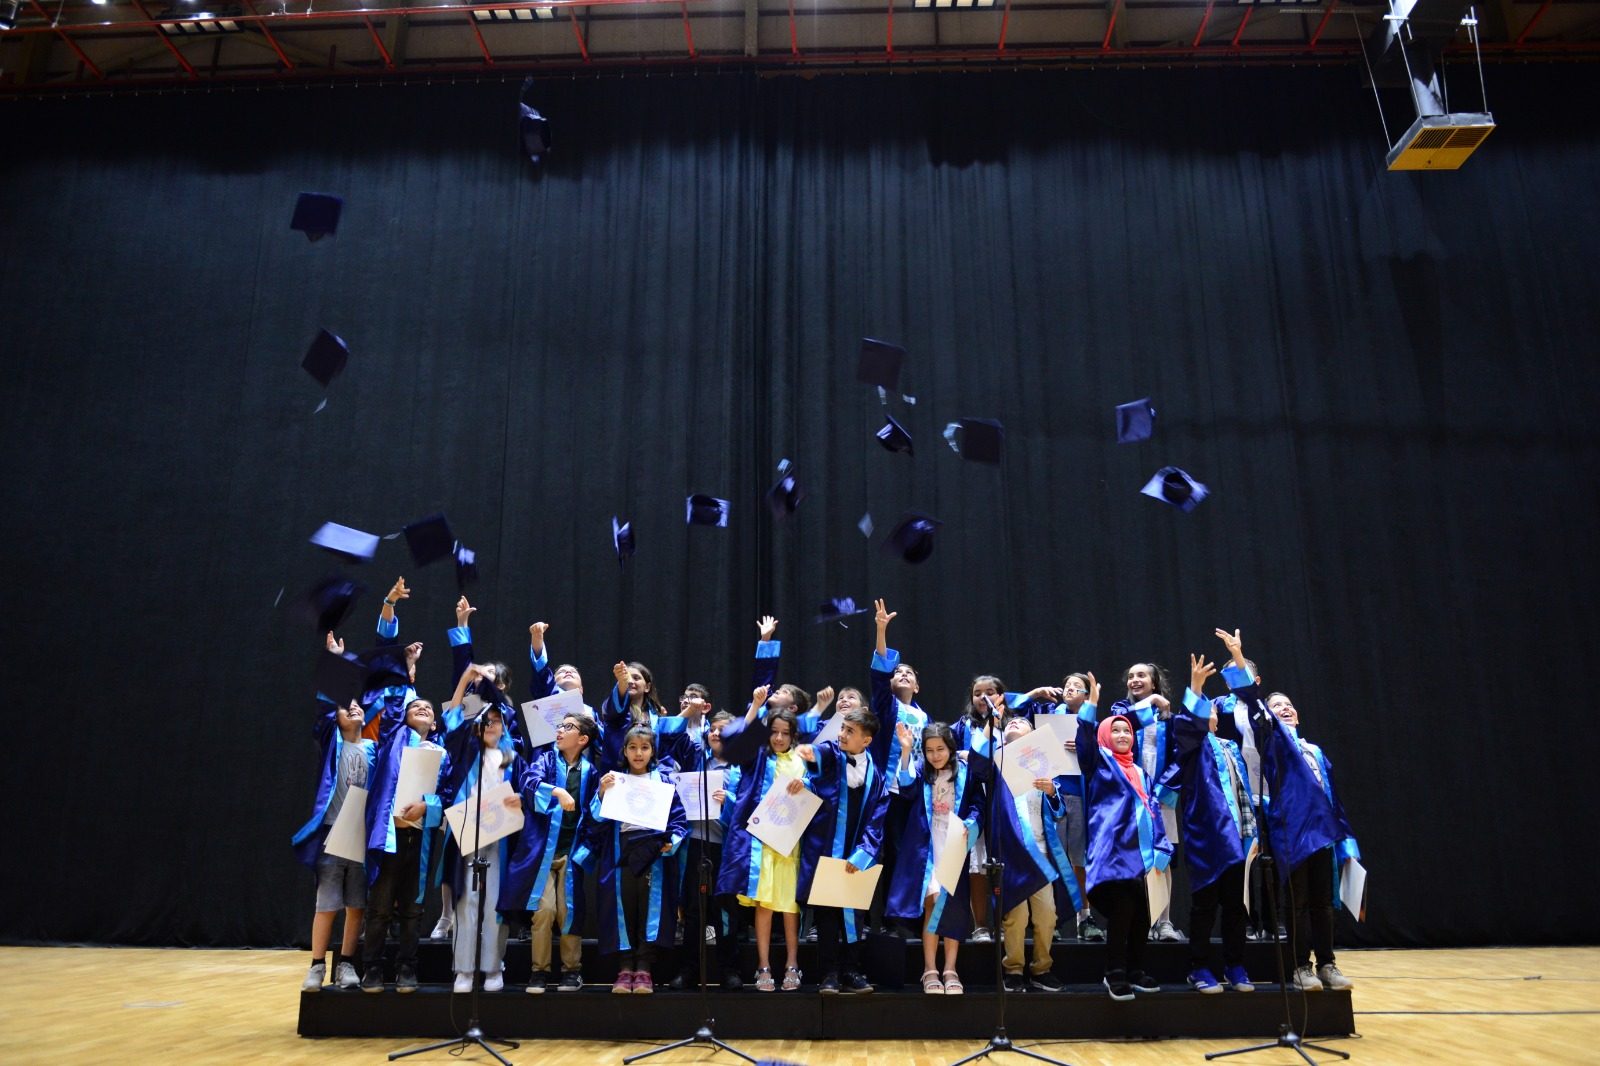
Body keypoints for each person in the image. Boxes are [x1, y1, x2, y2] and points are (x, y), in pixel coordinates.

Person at [1211, 629, 1360, 993]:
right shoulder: (1270, 739)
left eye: (1289, 705)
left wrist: (1348, 842)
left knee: (1324, 903)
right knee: (1297, 901)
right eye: (1277, 706)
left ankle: (1327, 963)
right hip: (1291, 827)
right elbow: (1249, 699)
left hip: (1324, 830)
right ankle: (1299, 966)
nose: (1285, 709)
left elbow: (1333, 799)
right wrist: (1238, 655)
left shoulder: (1316, 752)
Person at [968, 705, 1080, 993]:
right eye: (1011, 722)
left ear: (1034, 736)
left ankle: (1042, 969)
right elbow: (976, 767)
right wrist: (990, 726)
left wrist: (1053, 792)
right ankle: (1014, 969)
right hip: (1012, 855)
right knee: (1016, 917)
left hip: (1041, 854)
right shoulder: (997, 762)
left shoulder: (1044, 766)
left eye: (1022, 721)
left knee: (1047, 916)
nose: (1015, 722)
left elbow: (1058, 813)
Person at [1164, 653, 1257, 995]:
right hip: (1207, 839)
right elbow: (1188, 724)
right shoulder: (1190, 746)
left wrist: (1252, 833)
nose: (1210, 711)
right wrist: (1196, 686)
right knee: (1204, 906)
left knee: (1236, 906)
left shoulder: (1232, 747)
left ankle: (1235, 964)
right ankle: (1199, 967)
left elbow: (1243, 795)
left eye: (1212, 708)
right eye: (1204, 707)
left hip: (1239, 836)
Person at [1077, 675, 1175, 1001]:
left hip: (1139, 855)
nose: (1122, 735)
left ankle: (1135, 970)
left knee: (1142, 914)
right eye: (1115, 730)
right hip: (1110, 854)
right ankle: (1113, 973)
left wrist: (1161, 846)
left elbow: (1153, 813)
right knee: (1122, 908)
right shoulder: (1098, 762)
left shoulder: (1141, 772)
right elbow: (1085, 739)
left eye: (1127, 731)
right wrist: (1091, 703)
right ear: (1105, 736)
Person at [292, 645, 377, 992]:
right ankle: (316, 966)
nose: (354, 707)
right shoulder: (332, 742)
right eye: (347, 707)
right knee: (327, 903)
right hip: (330, 834)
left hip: (359, 835)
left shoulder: (373, 748)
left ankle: (345, 964)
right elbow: (324, 706)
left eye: (357, 705)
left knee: (356, 904)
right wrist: (333, 662)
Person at [791, 706, 891, 994]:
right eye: (842, 729)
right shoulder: (833, 757)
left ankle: (851, 969)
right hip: (825, 850)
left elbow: (877, 820)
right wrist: (811, 754)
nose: (842, 735)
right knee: (826, 915)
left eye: (850, 731)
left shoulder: (877, 777)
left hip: (857, 856)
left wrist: (862, 855)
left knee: (854, 915)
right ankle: (829, 974)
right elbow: (820, 753)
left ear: (867, 740)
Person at [359, 640, 439, 994]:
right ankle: (372, 968)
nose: (420, 708)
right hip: (388, 835)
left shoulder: (440, 753)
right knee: (379, 909)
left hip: (417, 837)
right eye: (415, 706)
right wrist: (407, 666)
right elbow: (395, 704)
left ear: (434, 723)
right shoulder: (393, 737)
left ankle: (407, 967)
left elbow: (446, 794)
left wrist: (428, 806)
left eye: (427, 708)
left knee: (412, 910)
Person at [429, 695, 525, 993]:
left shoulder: (514, 758)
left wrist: (520, 798)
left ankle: (493, 966)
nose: (490, 725)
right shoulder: (465, 750)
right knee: (465, 901)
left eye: (496, 720)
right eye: (485, 720)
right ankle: (464, 970)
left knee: (495, 903)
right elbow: (453, 720)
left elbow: (526, 792)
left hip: (501, 836)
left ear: (505, 725)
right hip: (468, 833)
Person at [716, 685, 807, 991]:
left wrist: (805, 783)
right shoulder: (757, 758)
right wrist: (755, 706)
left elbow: (818, 795)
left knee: (790, 906)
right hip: (761, 845)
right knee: (764, 904)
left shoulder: (802, 761)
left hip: (790, 844)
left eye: (785, 732)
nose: (779, 738)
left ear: (794, 735)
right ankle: (763, 965)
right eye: (774, 732)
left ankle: (793, 962)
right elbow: (736, 741)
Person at [588, 725, 690, 994]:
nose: (638, 753)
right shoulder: (613, 779)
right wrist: (601, 792)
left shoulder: (664, 781)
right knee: (624, 908)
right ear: (624, 750)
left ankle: (644, 967)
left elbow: (679, 820)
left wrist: (672, 841)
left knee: (648, 910)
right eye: (632, 747)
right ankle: (624, 969)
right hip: (620, 850)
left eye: (644, 747)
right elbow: (595, 822)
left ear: (653, 751)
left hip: (653, 852)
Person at [507, 711, 601, 993]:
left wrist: (584, 854)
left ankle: (572, 971)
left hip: (570, 853)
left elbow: (595, 818)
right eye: (559, 726)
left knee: (568, 911)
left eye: (568, 727)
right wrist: (557, 791)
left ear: (582, 739)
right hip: (543, 853)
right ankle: (540, 970)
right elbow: (528, 783)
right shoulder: (546, 761)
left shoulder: (591, 773)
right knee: (543, 910)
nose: (559, 731)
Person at [887, 721, 983, 994]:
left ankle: (950, 968)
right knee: (932, 903)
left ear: (951, 748)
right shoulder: (920, 770)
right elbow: (904, 788)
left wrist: (971, 823)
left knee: (953, 905)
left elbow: (978, 805)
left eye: (940, 749)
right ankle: (930, 968)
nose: (935, 755)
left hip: (955, 842)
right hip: (926, 847)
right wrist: (906, 751)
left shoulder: (966, 772)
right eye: (929, 750)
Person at [670, 705, 747, 992]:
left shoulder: (742, 768)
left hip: (725, 849)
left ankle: (730, 969)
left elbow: (753, 808)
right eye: (712, 729)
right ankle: (689, 969)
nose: (715, 733)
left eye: (723, 729)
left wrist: (729, 800)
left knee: (724, 910)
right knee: (692, 910)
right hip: (695, 845)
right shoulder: (696, 759)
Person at [1113, 662, 1185, 943]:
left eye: (1141, 675)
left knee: (1162, 859)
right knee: (1134, 860)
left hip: (1162, 797)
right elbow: (1121, 727)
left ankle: (1164, 921)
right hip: (1129, 797)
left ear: (1154, 682)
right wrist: (1152, 702)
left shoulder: (1170, 718)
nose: (1134, 679)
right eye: (1130, 676)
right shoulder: (1120, 709)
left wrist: (1162, 790)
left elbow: (1180, 756)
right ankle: (1142, 921)